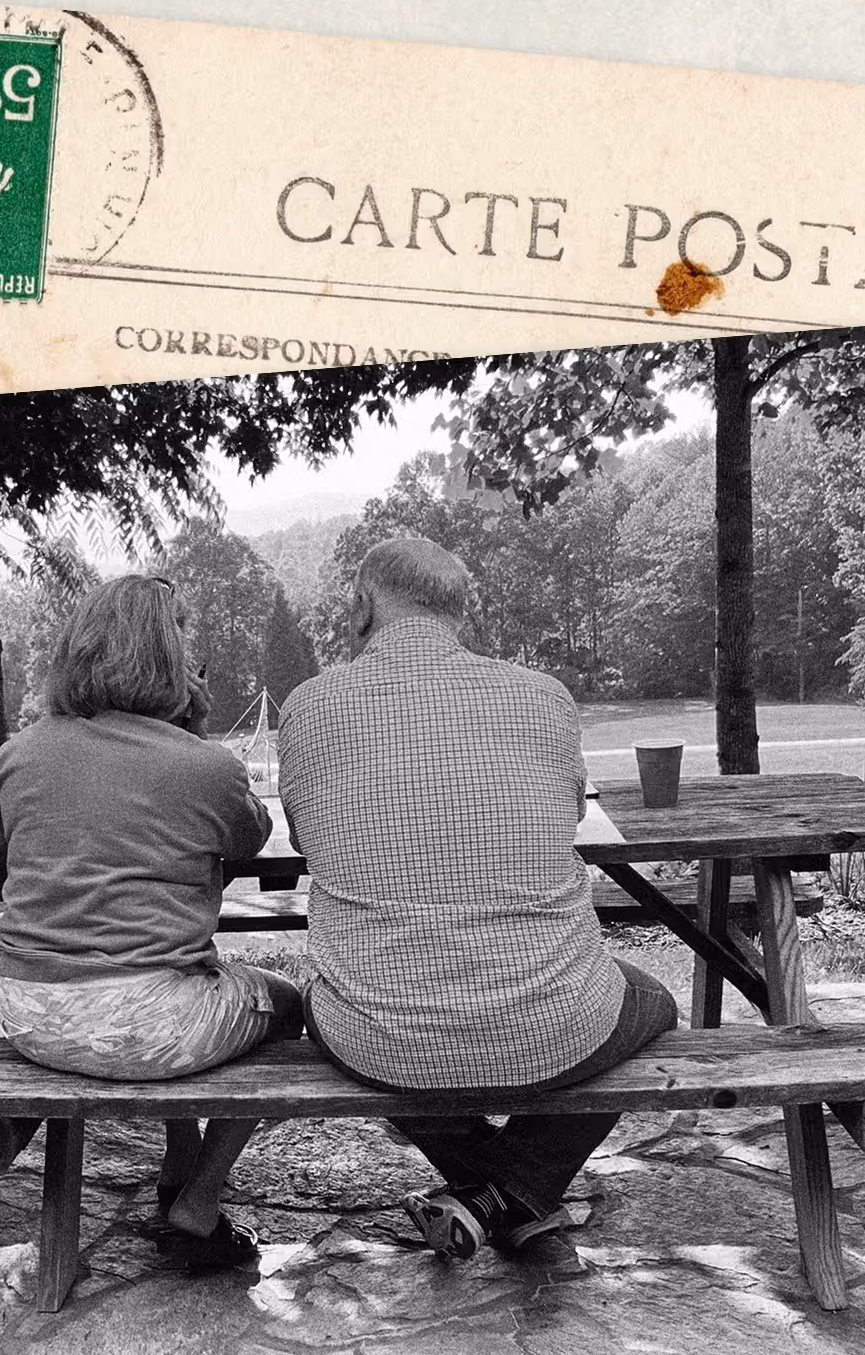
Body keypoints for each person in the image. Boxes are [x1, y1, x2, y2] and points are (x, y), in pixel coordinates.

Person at [279, 535, 678, 1277]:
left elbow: (307, 841)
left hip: (380, 1037)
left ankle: (493, 1195)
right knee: (652, 1000)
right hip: (559, 1029)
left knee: (357, 1012)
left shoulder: (308, 707)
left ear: (364, 604)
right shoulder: (542, 695)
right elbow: (565, 818)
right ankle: (515, 1194)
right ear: (459, 611)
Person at [0, 574, 303, 1272]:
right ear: (170, 657)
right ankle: (197, 1200)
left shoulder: (21, 752)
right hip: (149, 1025)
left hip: (29, 1015)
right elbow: (250, 839)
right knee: (289, 1005)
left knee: (183, 983)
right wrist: (196, 736)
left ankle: (178, 1157)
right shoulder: (205, 766)